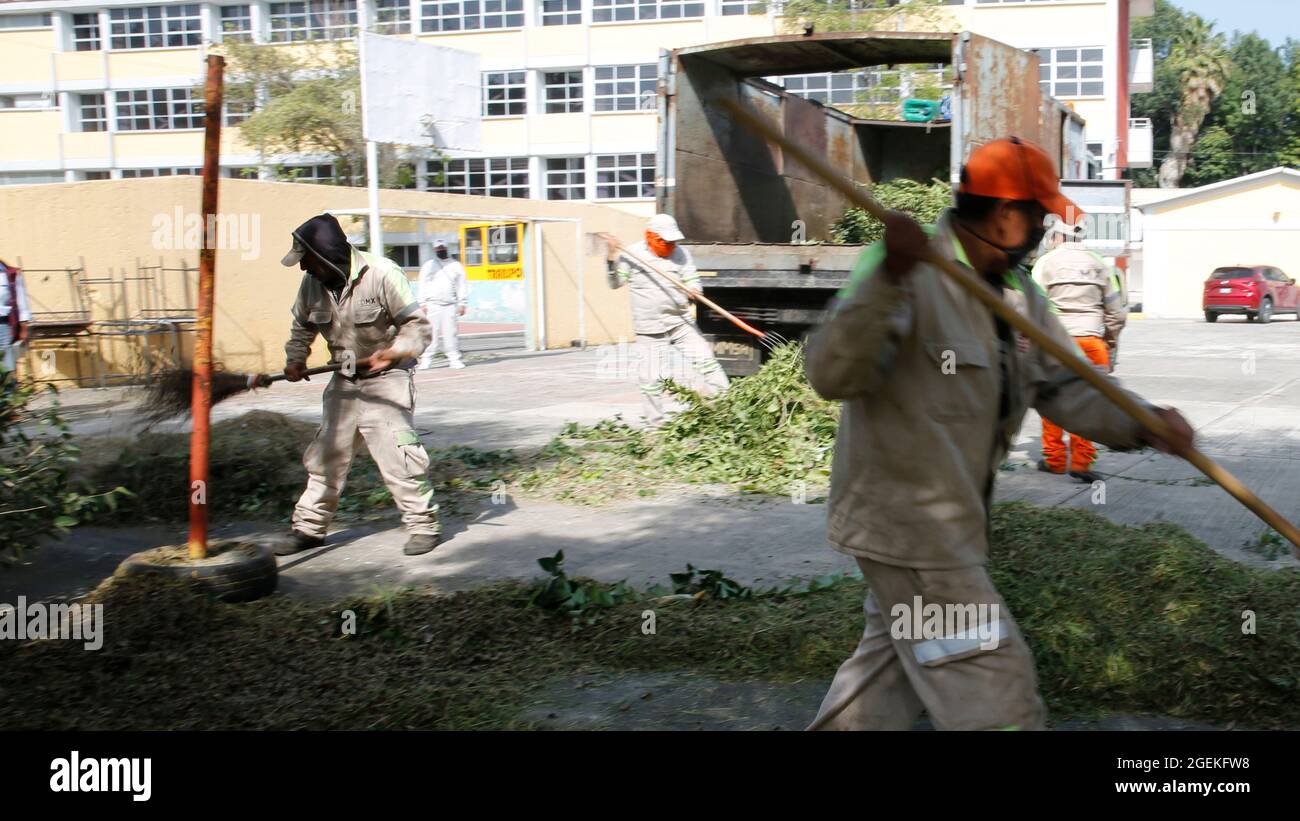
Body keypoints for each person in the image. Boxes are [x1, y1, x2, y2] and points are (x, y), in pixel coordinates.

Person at [803, 137, 1194, 731]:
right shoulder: (905, 272)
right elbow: (831, 374)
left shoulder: (1021, 298)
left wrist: (1145, 424)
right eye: (1039, 214)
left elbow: (1067, 386)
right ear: (1007, 214)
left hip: (946, 531)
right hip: (911, 532)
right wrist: (888, 278)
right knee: (996, 695)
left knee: (883, 686)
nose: (1041, 228)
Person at [271, 214, 440, 557]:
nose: (304, 269)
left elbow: (417, 327)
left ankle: (423, 525)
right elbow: (302, 327)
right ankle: (308, 529)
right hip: (344, 379)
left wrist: (394, 353)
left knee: (398, 454)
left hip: (387, 379)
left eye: (307, 261)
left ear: (324, 257)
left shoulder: (382, 274)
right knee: (327, 456)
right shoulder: (313, 285)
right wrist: (295, 359)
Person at [606, 213, 729, 427]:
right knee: (651, 379)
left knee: (707, 362)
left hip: (680, 322)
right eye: (665, 241)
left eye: (673, 241)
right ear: (649, 236)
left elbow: (692, 279)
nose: (670, 245)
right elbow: (615, 283)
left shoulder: (681, 254)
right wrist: (611, 258)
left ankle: (725, 409)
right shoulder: (632, 254)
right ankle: (656, 427)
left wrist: (694, 290)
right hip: (649, 327)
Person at [1032, 221, 1129, 483]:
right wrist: (1109, 342)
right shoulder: (1099, 263)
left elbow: (1032, 306)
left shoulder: (1046, 263)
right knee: (1088, 402)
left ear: (1058, 236)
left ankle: (1055, 460)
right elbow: (1116, 313)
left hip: (1057, 343)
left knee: (1050, 398)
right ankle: (1082, 463)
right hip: (1091, 342)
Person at [417, 240, 469, 370]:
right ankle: (426, 359)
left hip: (450, 305)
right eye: (437, 248)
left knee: (451, 333)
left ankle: (454, 359)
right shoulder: (429, 265)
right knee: (430, 333)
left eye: (442, 248)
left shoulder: (456, 266)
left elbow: (461, 285)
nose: (440, 250)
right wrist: (422, 303)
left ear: (447, 248)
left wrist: (463, 303)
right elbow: (422, 284)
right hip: (432, 304)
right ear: (434, 250)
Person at [0, 260, 32, 373]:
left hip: (3, 324)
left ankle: (8, 389)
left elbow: (22, 303)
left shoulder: (11, 274)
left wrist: (24, 327)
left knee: (6, 360)